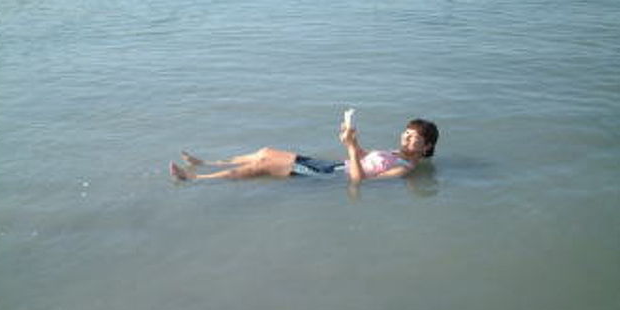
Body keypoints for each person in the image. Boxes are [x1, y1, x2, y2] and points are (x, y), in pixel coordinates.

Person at [169, 118, 439, 184]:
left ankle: (195, 179)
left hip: (332, 177)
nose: (406, 137)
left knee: (262, 165)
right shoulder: (396, 153)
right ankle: (207, 163)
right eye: (406, 132)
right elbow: (362, 155)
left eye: (414, 136)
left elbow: (359, 181)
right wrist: (352, 140)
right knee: (266, 151)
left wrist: (349, 149)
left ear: (426, 146)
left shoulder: (404, 170)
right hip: (333, 166)